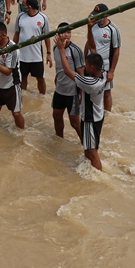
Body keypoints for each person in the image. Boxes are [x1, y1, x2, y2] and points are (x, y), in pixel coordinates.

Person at [54, 29, 109, 171]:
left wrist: (61, 50)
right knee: (88, 148)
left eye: (86, 64)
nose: (84, 66)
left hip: (91, 119)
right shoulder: (103, 73)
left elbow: (67, 71)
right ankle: (88, 170)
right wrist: (90, 27)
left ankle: (98, 176)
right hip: (98, 116)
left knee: (92, 152)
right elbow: (92, 47)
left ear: (92, 67)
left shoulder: (90, 83)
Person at [13, 0, 52, 94]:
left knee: (40, 79)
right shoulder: (20, 16)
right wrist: (12, 49)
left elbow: (47, 37)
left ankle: (42, 97)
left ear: (29, 6)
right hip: (22, 56)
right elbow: (16, 34)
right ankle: (22, 97)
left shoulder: (43, 18)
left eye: (23, 5)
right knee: (23, 78)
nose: (22, 7)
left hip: (36, 57)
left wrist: (48, 54)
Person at [51, 22, 84, 139]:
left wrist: (81, 94)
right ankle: (59, 139)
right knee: (57, 116)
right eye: (63, 32)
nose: (65, 35)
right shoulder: (55, 48)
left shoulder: (76, 51)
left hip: (73, 92)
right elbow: (58, 67)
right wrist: (56, 80)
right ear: (57, 34)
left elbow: (81, 73)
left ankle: (87, 146)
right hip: (60, 89)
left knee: (74, 122)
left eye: (68, 32)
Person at [86, 3, 120, 112]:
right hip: (90, 64)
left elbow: (116, 51)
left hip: (105, 65)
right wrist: (83, 61)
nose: (97, 18)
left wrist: (112, 71)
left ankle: (107, 114)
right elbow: (88, 44)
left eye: (99, 15)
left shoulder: (113, 29)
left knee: (106, 92)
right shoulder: (93, 26)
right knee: (90, 90)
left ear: (106, 15)